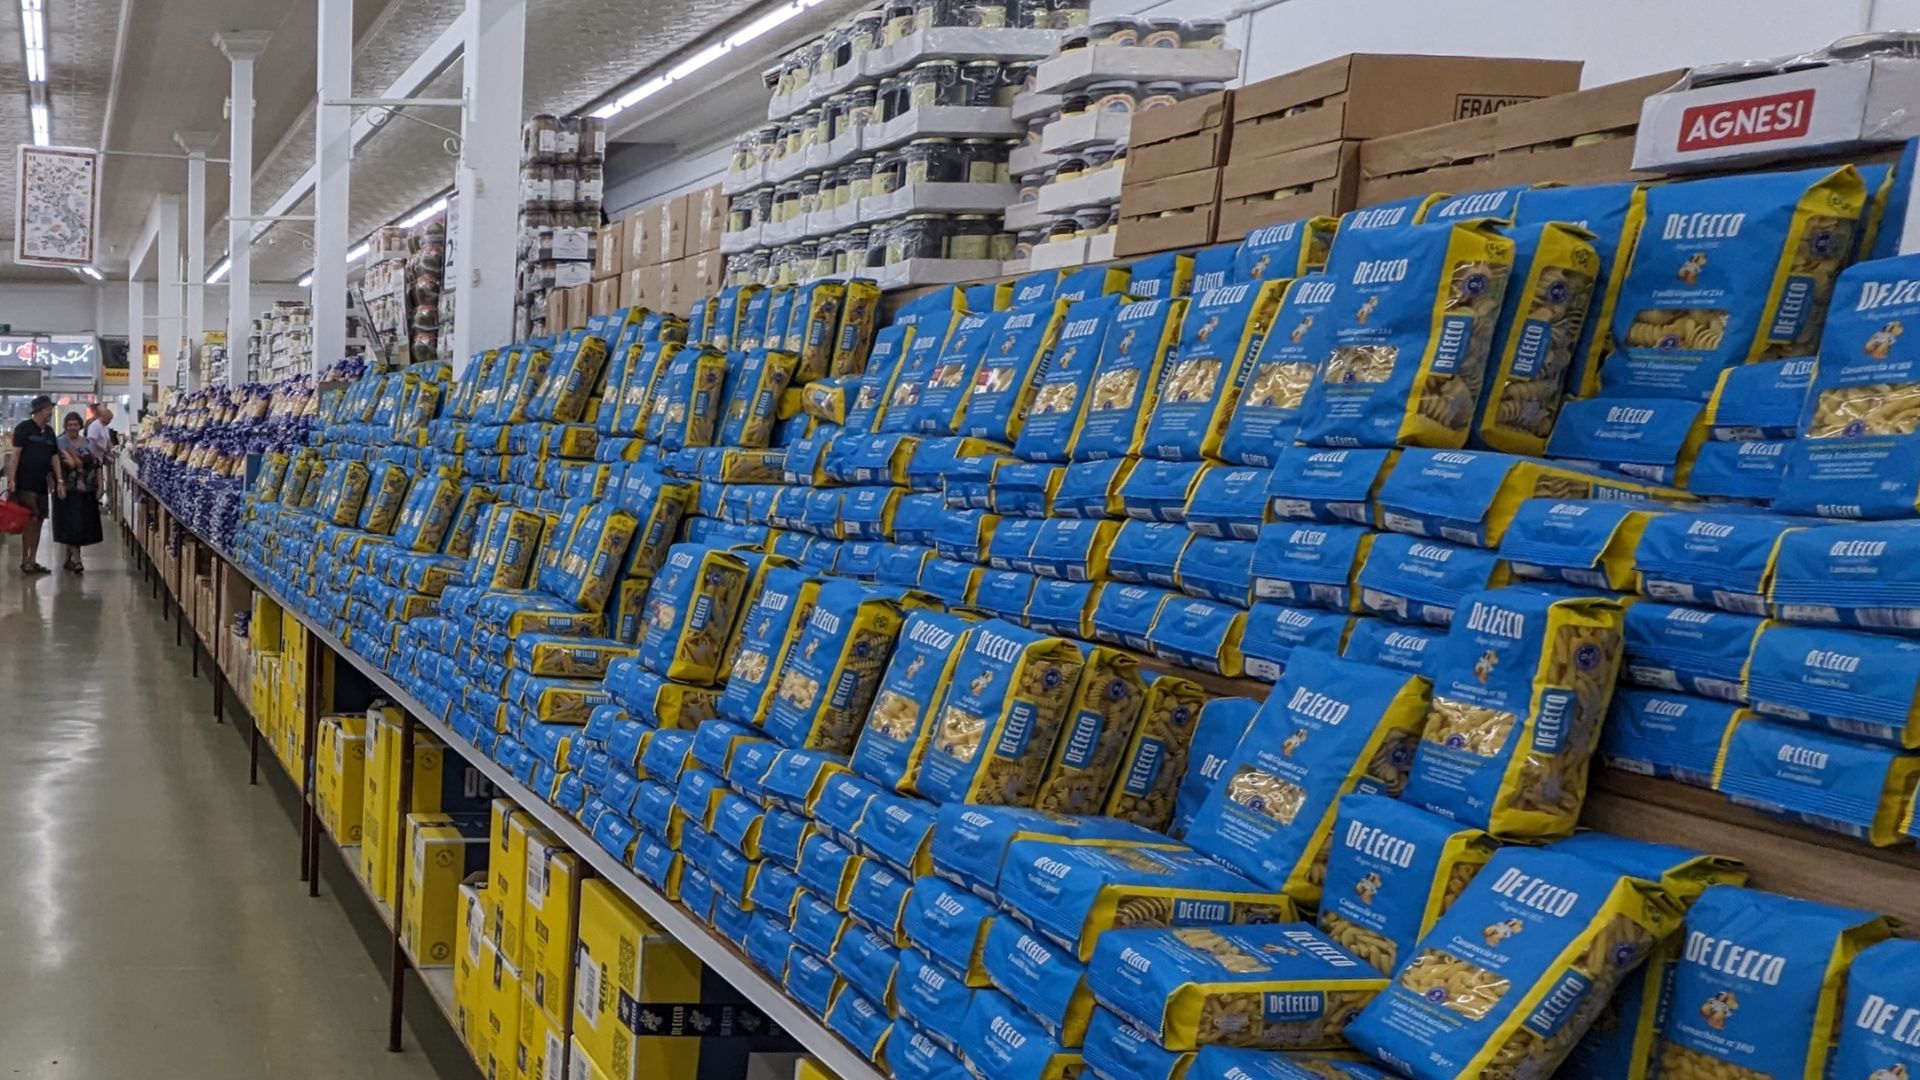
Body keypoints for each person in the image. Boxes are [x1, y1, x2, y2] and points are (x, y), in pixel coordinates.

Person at [7, 394, 57, 573]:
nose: (50, 412)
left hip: (41, 483)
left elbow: (53, 457)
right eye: (48, 409)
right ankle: (25, 560)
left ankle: (33, 559)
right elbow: (15, 455)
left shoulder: (49, 432)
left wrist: (57, 480)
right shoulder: (24, 428)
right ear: (39, 411)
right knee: (30, 519)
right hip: (26, 483)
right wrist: (12, 479)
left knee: (39, 520)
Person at [51, 411, 103, 572]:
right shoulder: (59, 443)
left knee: (81, 524)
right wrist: (57, 483)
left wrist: (101, 486)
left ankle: (69, 558)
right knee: (71, 523)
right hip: (67, 489)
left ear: (80, 426)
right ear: (65, 426)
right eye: (70, 425)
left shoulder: (88, 443)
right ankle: (77, 559)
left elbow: (97, 465)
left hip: (87, 489)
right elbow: (53, 466)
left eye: (75, 424)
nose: (73, 427)